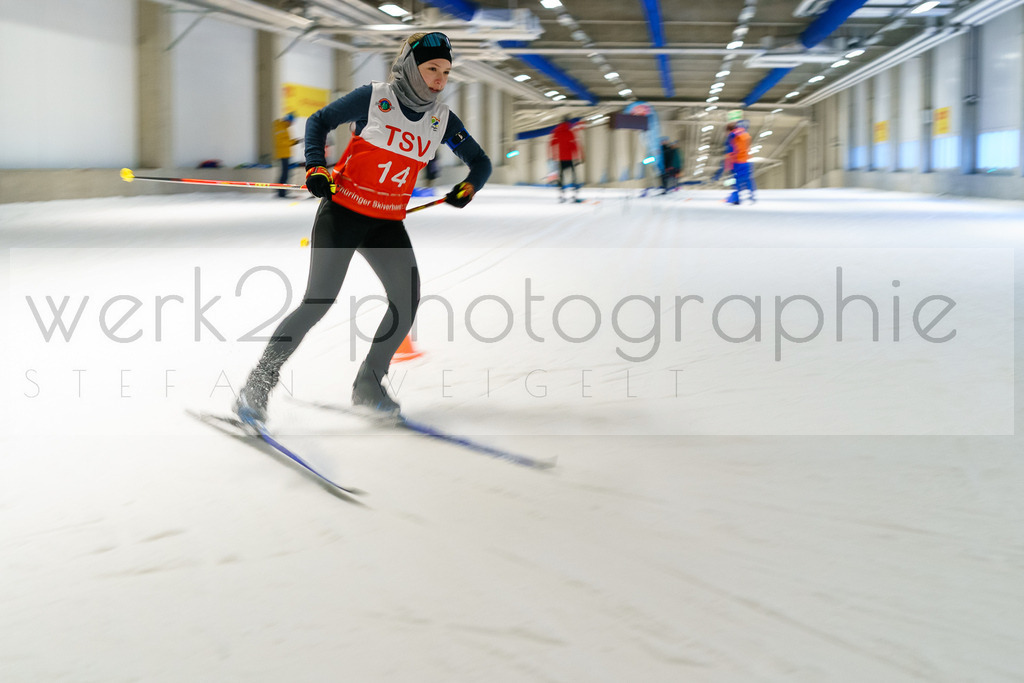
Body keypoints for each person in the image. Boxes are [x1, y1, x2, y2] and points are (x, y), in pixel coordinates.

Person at [234, 32, 491, 426]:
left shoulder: (441, 119)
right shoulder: (375, 98)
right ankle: (257, 385)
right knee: (318, 301)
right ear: (411, 67)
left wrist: (469, 187)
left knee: (406, 301)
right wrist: (315, 166)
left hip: (386, 222)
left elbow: (481, 163)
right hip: (343, 214)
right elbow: (319, 121)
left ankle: (369, 384)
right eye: (432, 69)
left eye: (445, 71)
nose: (440, 79)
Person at [722, 114, 755, 205]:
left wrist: (728, 164)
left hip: (737, 161)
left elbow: (731, 150)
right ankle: (752, 197)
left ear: (729, 130)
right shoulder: (744, 134)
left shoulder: (732, 136)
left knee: (737, 180)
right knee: (747, 179)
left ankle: (736, 199)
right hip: (746, 160)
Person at [549, 116, 582, 202]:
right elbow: (574, 146)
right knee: (573, 176)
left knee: (561, 177)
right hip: (569, 158)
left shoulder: (556, 132)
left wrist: (553, 156)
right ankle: (574, 194)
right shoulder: (570, 132)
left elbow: (552, 144)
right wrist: (577, 158)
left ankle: (561, 194)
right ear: (568, 123)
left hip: (561, 159)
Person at [273, 112, 301, 198]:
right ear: (288, 120)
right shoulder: (280, 127)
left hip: (286, 154)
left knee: (286, 173)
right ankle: (281, 192)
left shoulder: (284, 127)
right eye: (291, 122)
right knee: (284, 174)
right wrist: (293, 142)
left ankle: (282, 191)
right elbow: (280, 142)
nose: (291, 124)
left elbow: (284, 141)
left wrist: (294, 141)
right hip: (283, 155)